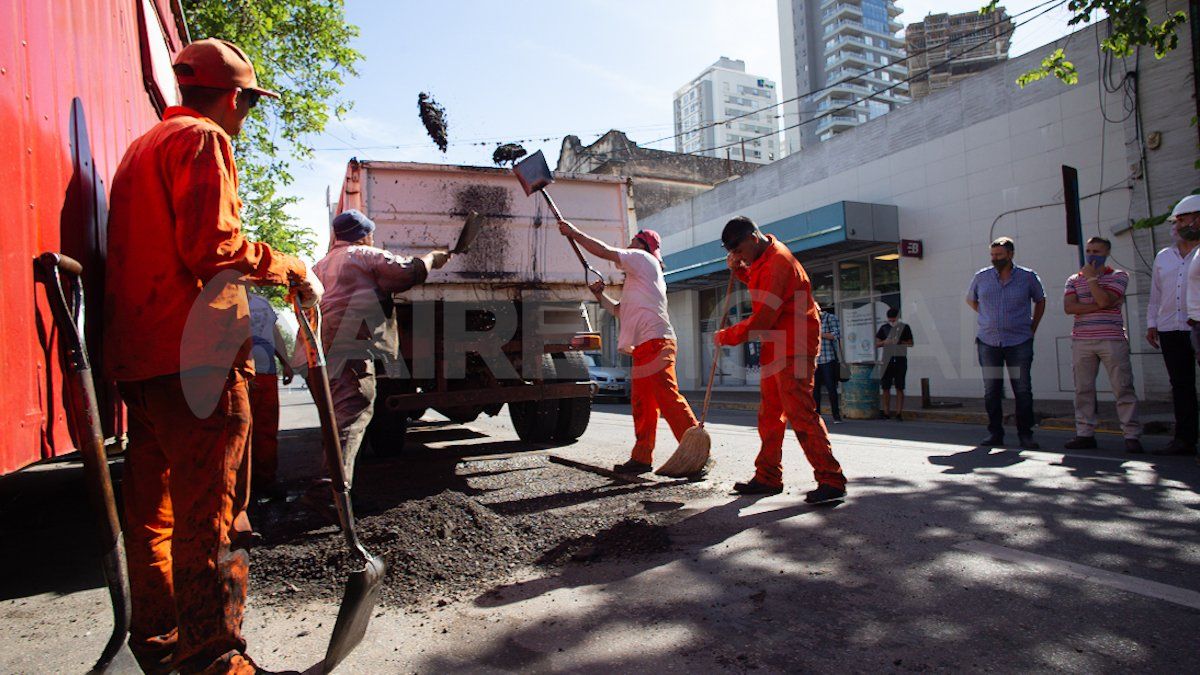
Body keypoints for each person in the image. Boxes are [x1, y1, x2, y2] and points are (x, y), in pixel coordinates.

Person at [103, 39, 321, 674]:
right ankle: (217, 659)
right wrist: (288, 265)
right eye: (248, 104)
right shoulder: (202, 141)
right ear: (233, 97)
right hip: (195, 359)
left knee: (154, 518)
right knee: (213, 516)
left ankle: (162, 648)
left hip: (139, 361)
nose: (245, 118)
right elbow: (213, 247)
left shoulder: (138, 151)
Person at [715, 216, 847, 503]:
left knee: (800, 411)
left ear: (752, 237)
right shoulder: (763, 259)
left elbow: (763, 318)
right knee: (770, 414)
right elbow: (762, 288)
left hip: (795, 344)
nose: (736, 257)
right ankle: (768, 476)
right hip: (777, 344)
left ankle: (831, 479)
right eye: (732, 254)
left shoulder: (778, 263)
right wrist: (740, 272)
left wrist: (728, 335)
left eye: (738, 252)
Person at [313, 209, 450, 485]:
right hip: (352, 341)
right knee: (354, 406)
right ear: (364, 235)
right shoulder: (365, 254)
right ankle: (330, 488)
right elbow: (408, 272)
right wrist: (432, 259)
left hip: (325, 342)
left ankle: (336, 486)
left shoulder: (321, 265)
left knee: (339, 410)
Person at [558, 222, 700, 474]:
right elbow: (618, 311)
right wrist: (600, 295)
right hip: (645, 347)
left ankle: (698, 452)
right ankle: (642, 457)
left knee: (667, 396)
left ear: (645, 246)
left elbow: (603, 251)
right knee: (643, 403)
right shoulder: (638, 281)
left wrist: (573, 233)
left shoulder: (643, 259)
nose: (629, 243)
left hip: (657, 342)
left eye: (634, 239)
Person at [1063, 237, 1143, 452]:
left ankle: (1131, 434)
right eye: (1089, 250)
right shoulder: (1073, 279)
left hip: (1112, 338)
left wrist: (1091, 282)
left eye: (1097, 251)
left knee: (1123, 386)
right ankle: (1085, 433)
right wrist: (1101, 303)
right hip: (1082, 340)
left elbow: (1106, 300)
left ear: (1106, 253)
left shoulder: (1118, 276)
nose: (1091, 254)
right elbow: (1070, 307)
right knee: (1083, 389)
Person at [966, 237, 1046, 449]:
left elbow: (1040, 300)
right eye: (993, 255)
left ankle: (1025, 435)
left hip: (1019, 341)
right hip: (988, 342)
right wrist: (987, 317)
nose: (995, 259)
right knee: (992, 389)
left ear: (1010, 254)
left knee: (1022, 389)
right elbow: (971, 299)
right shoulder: (981, 277)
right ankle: (995, 433)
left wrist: (1033, 327)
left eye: (999, 255)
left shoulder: (1028, 277)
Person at [1152, 194, 1200, 456]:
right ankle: (1185, 439)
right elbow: (1156, 294)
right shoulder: (1164, 257)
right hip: (1171, 328)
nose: (1177, 226)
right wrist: (1152, 323)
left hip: (1197, 325)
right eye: (1177, 221)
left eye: (1182, 220)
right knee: (1181, 386)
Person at [247, 292, 295, 499]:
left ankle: (265, 480)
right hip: (241, 376)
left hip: (267, 374)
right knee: (243, 432)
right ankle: (242, 488)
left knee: (266, 429)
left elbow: (274, 333)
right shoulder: (224, 298)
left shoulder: (261, 301)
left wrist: (286, 362)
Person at [875, 308, 913, 421]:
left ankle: (898, 412)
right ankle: (886, 412)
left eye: (894, 320)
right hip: (887, 360)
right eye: (890, 320)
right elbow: (877, 343)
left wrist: (900, 342)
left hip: (900, 359)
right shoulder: (884, 328)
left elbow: (911, 343)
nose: (892, 322)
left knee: (899, 387)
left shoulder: (904, 327)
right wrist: (885, 342)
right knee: (886, 387)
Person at [814, 307, 843, 423]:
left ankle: (836, 415)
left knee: (831, 388)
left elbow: (836, 335)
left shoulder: (830, 318)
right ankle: (817, 416)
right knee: (815, 389)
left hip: (828, 358)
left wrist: (819, 334)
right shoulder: (810, 321)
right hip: (815, 359)